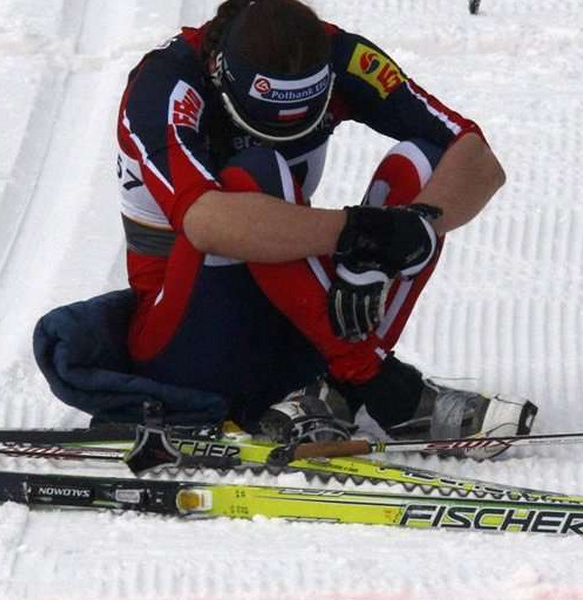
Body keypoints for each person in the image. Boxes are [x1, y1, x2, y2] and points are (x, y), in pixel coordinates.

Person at [35, 0, 535, 454]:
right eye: (263, 122)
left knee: (425, 164)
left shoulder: (343, 57)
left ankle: (328, 393)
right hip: (188, 344)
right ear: (222, 76)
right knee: (256, 172)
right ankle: (377, 383)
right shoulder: (166, 85)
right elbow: (206, 222)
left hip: (299, 319)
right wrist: (356, 233)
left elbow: (475, 155)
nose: (286, 133)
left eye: (302, 123)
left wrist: (411, 231)